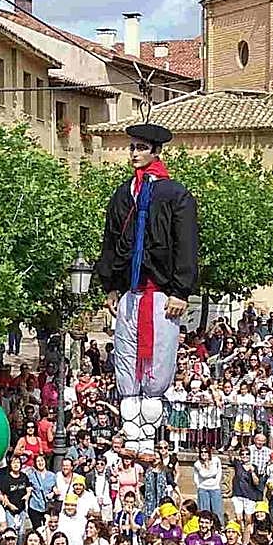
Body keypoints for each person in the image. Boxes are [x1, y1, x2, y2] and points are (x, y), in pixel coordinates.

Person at [96, 121, 199, 454]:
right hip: (130, 291)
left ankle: (148, 436)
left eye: (140, 148)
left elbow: (186, 244)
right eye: (132, 148)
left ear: (155, 151)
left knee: (158, 358)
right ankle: (130, 433)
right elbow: (110, 241)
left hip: (163, 293)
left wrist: (181, 290)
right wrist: (110, 285)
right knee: (126, 357)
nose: (134, 154)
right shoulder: (123, 194)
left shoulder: (176, 194)